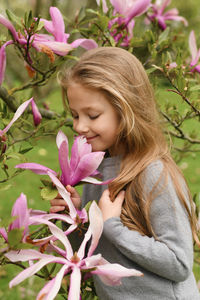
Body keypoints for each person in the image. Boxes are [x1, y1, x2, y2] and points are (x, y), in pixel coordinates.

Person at [50, 47, 200, 299]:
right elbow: (93, 253)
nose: (79, 126)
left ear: (126, 109)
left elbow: (179, 264)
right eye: (75, 115)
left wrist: (113, 227)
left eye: (93, 115)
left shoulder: (154, 174)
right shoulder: (94, 170)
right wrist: (74, 218)